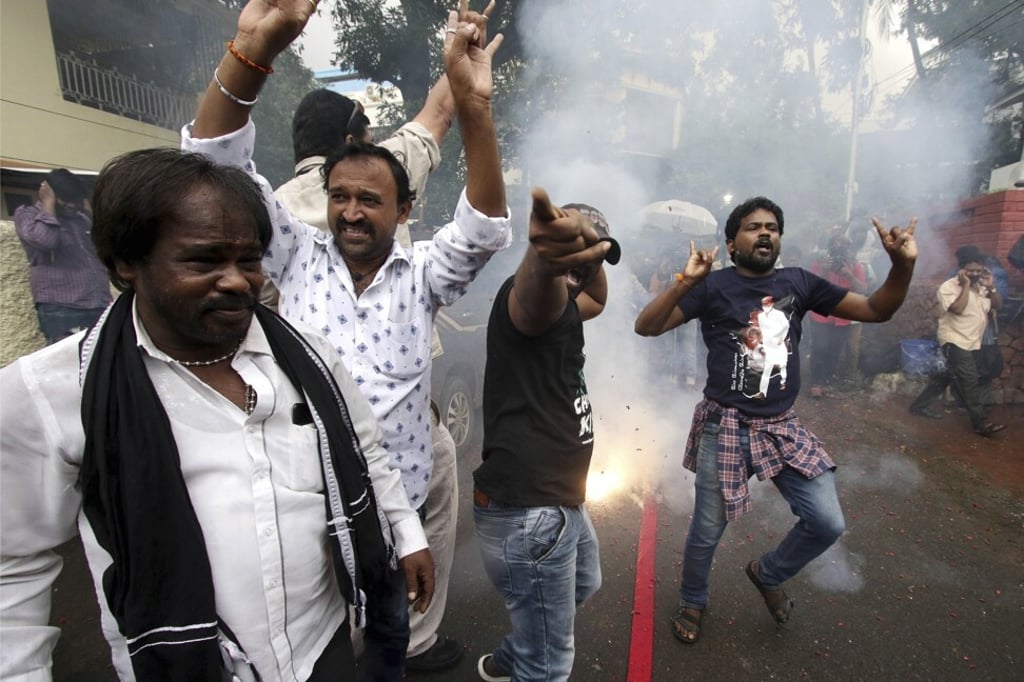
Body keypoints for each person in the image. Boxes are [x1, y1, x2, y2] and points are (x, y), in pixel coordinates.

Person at [0, 147, 433, 679]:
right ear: (126, 264)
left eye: (248, 261)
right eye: (204, 261)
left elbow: (366, 452)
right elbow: (11, 569)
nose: (236, 281)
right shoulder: (56, 390)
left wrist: (407, 535)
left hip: (325, 648)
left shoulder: (309, 357)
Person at [182, 1, 510, 678]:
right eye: (340, 197)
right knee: (311, 653)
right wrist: (252, 51)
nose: (352, 212)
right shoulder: (295, 254)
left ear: (405, 209)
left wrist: (475, 108)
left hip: (399, 509)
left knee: (389, 645)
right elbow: (215, 159)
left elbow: (481, 228)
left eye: (369, 200)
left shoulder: (422, 277)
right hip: (302, 507)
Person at [634, 196, 918, 644]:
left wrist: (901, 267)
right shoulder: (712, 286)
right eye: (752, 227)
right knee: (707, 531)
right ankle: (693, 599)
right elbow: (646, 326)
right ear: (731, 242)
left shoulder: (800, 282)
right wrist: (684, 283)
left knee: (827, 522)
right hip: (723, 427)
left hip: (781, 426)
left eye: (772, 227)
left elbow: (876, 310)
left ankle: (767, 573)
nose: (765, 232)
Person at [272, 72, 465, 671]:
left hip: (309, 435)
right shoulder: (381, 170)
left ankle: (374, 641)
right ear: (351, 143)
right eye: (343, 198)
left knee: (346, 559)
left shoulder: (273, 207)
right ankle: (414, 636)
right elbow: (437, 113)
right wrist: (463, 70)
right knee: (420, 517)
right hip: (377, 436)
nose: (353, 214)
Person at [473, 191, 618, 681]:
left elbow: (596, 296)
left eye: (593, 255)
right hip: (531, 513)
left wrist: (593, 246)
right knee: (550, 666)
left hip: (559, 504)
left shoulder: (574, 307)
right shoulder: (531, 303)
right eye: (572, 254)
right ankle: (527, 658)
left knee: (585, 582)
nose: (581, 266)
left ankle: (515, 654)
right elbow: (539, 286)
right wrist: (546, 254)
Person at [909, 248, 1004, 435]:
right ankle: (981, 424)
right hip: (954, 340)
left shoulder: (983, 287)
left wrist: (991, 287)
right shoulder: (948, 287)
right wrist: (966, 285)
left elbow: (997, 305)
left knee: (946, 375)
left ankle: (919, 406)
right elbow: (958, 309)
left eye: (978, 270)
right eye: (971, 270)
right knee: (969, 379)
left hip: (973, 342)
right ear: (961, 269)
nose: (975, 274)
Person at [13, 168, 112, 343]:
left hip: (98, 303)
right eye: (65, 200)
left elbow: (106, 246)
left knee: (100, 362)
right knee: (67, 365)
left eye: (74, 200)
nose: (71, 206)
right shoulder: (28, 214)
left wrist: (89, 210)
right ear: (48, 194)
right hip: (63, 308)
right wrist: (49, 206)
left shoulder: (81, 219)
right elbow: (46, 241)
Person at [807, 232, 867, 397]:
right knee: (819, 347)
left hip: (842, 315)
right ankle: (816, 383)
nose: (840, 248)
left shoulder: (855, 265)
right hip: (820, 313)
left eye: (844, 245)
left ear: (848, 249)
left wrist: (849, 275)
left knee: (834, 350)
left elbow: (862, 289)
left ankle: (827, 381)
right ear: (830, 247)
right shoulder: (819, 263)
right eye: (836, 244)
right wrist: (823, 271)